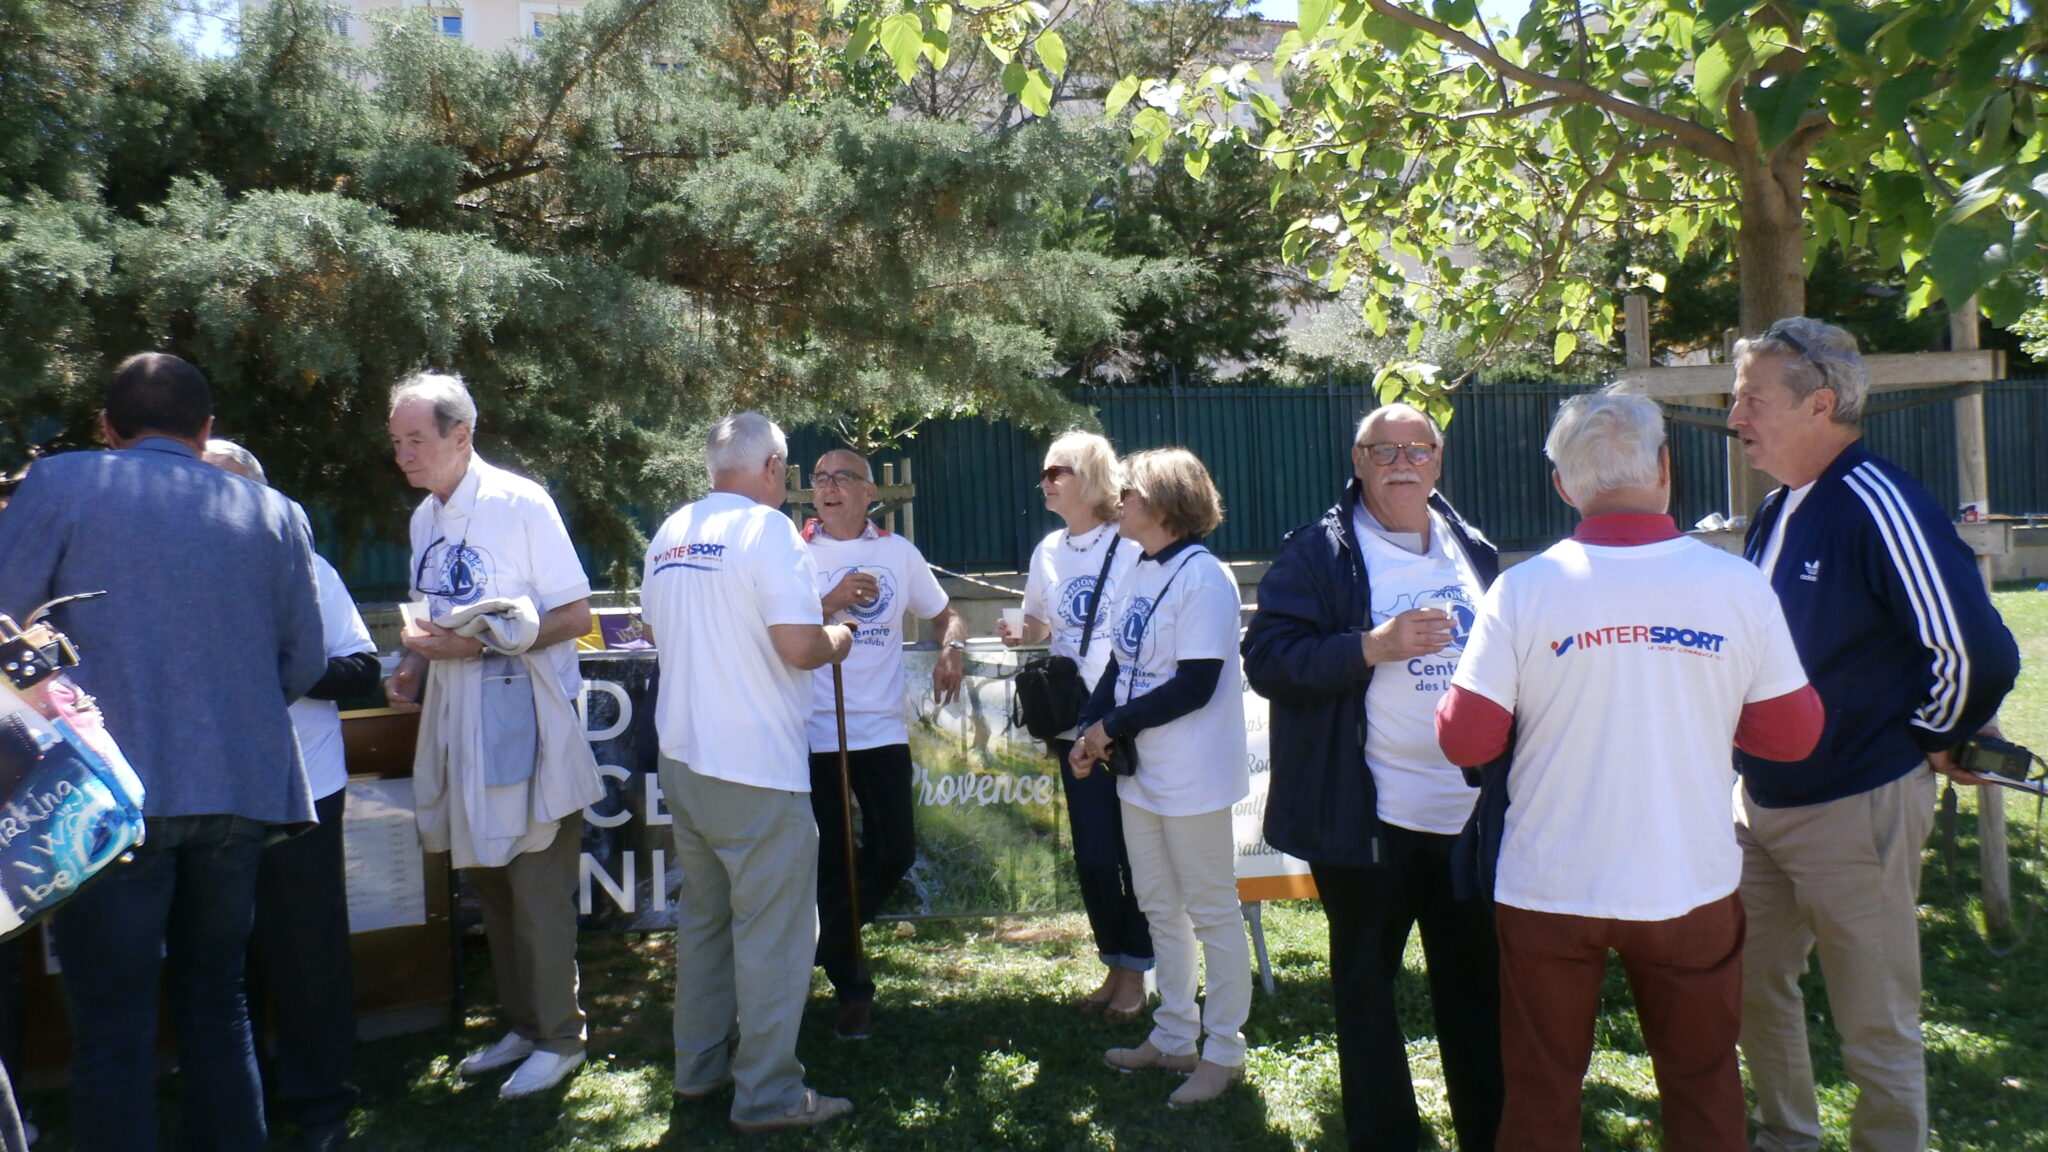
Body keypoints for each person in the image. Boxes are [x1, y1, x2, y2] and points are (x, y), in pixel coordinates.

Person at [1435, 392, 1824, 1151]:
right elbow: (1792, 736)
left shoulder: (1524, 590)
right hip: (1688, 882)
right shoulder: (1737, 586)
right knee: (1704, 1081)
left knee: (1542, 1090)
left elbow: (1466, 740)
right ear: (1665, 469)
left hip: (1551, 884)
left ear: (1563, 486)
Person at [0, 352, 325, 1152]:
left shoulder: (61, 483)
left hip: (104, 797)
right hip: (240, 793)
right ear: (206, 430)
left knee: (113, 1022)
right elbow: (305, 661)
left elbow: (5, 624)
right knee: (219, 1006)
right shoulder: (276, 512)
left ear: (107, 429)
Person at [1726, 318, 2020, 1152]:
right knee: (1748, 983)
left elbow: (1976, 648)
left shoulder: (1878, 500)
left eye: (1752, 398)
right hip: (1759, 804)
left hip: (1859, 802)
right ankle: (1789, 1137)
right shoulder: (1778, 506)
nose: (1735, 415)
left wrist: (1940, 732)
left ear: (1820, 404)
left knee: (1875, 1017)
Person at [1240, 403, 1505, 1151]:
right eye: (1382, 450)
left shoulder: (1471, 548)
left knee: (1476, 991)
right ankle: (1386, 1138)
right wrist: (1370, 646)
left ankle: (1490, 1131)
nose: (1401, 462)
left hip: (1467, 816)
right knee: (1365, 990)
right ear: (1357, 461)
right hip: (1367, 820)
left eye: (1417, 448)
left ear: (1439, 459)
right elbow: (1268, 662)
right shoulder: (1318, 554)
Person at [382, 371, 602, 1100]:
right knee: (487, 881)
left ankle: (562, 1036)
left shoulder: (519, 503)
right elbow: (436, 615)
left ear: (461, 435)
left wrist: (482, 647)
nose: (403, 455)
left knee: (536, 881)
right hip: (455, 721)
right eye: (397, 442)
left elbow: (577, 614)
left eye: (416, 440)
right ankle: (523, 1023)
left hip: (526, 718)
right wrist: (412, 663)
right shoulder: (425, 520)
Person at [641, 412, 856, 1134]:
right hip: (755, 765)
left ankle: (698, 1068)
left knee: (704, 922)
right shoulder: (769, 533)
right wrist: (842, 636)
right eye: (787, 471)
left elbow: (656, 629)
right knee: (773, 935)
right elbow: (798, 646)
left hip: (685, 756)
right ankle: (765, 1095)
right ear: (771, 468)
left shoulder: (670, 531)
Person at [201, 440, 379, 1152]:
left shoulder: (309, 568)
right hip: (208, 791)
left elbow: (362, 666)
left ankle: (321, 1103)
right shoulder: (179, 574)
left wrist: (281, 668)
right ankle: (242, 1099)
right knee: (218, 957)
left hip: (303, 789)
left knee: (307, 953)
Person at [1071, 447, 1250, 1109]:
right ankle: (1174, 1033)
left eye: (1130, 494)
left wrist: (1109, 730)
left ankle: (1223, 1049)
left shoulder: (1204, 577)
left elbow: (1196, 684)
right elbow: (1122, 666)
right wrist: (1090, 725)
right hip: (1141, 776)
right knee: (1157, 907)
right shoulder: (1142, 567)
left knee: (1210, 911)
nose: (1118, 503)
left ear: (1164, 505)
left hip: (1192, 775)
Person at [801, 448, 965, 1040]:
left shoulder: (898, 552)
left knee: (894, 850)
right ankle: (852, 990)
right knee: (831, 860)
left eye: (842, 477)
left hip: (881, 730)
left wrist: (952, 647)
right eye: (819, 479)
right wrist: (831, 600)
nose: (828, 487)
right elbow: (778, 627)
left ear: (870, 492)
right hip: (815, 730)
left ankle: (826, 938)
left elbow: (947, 613)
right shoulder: (795, 552)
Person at [998, 431, 1151, 1020]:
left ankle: (1136, 973)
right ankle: (1113, 962)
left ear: (1089, 476)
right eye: (1043, 472)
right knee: (1092, 856)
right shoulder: (1047, 551)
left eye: (1057, 470)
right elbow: (1042, 623)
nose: (1046, 481)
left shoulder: (1133, 539)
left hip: (1129, 719)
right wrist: (1024, 633)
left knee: (1137, 854)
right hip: (1072, 723)